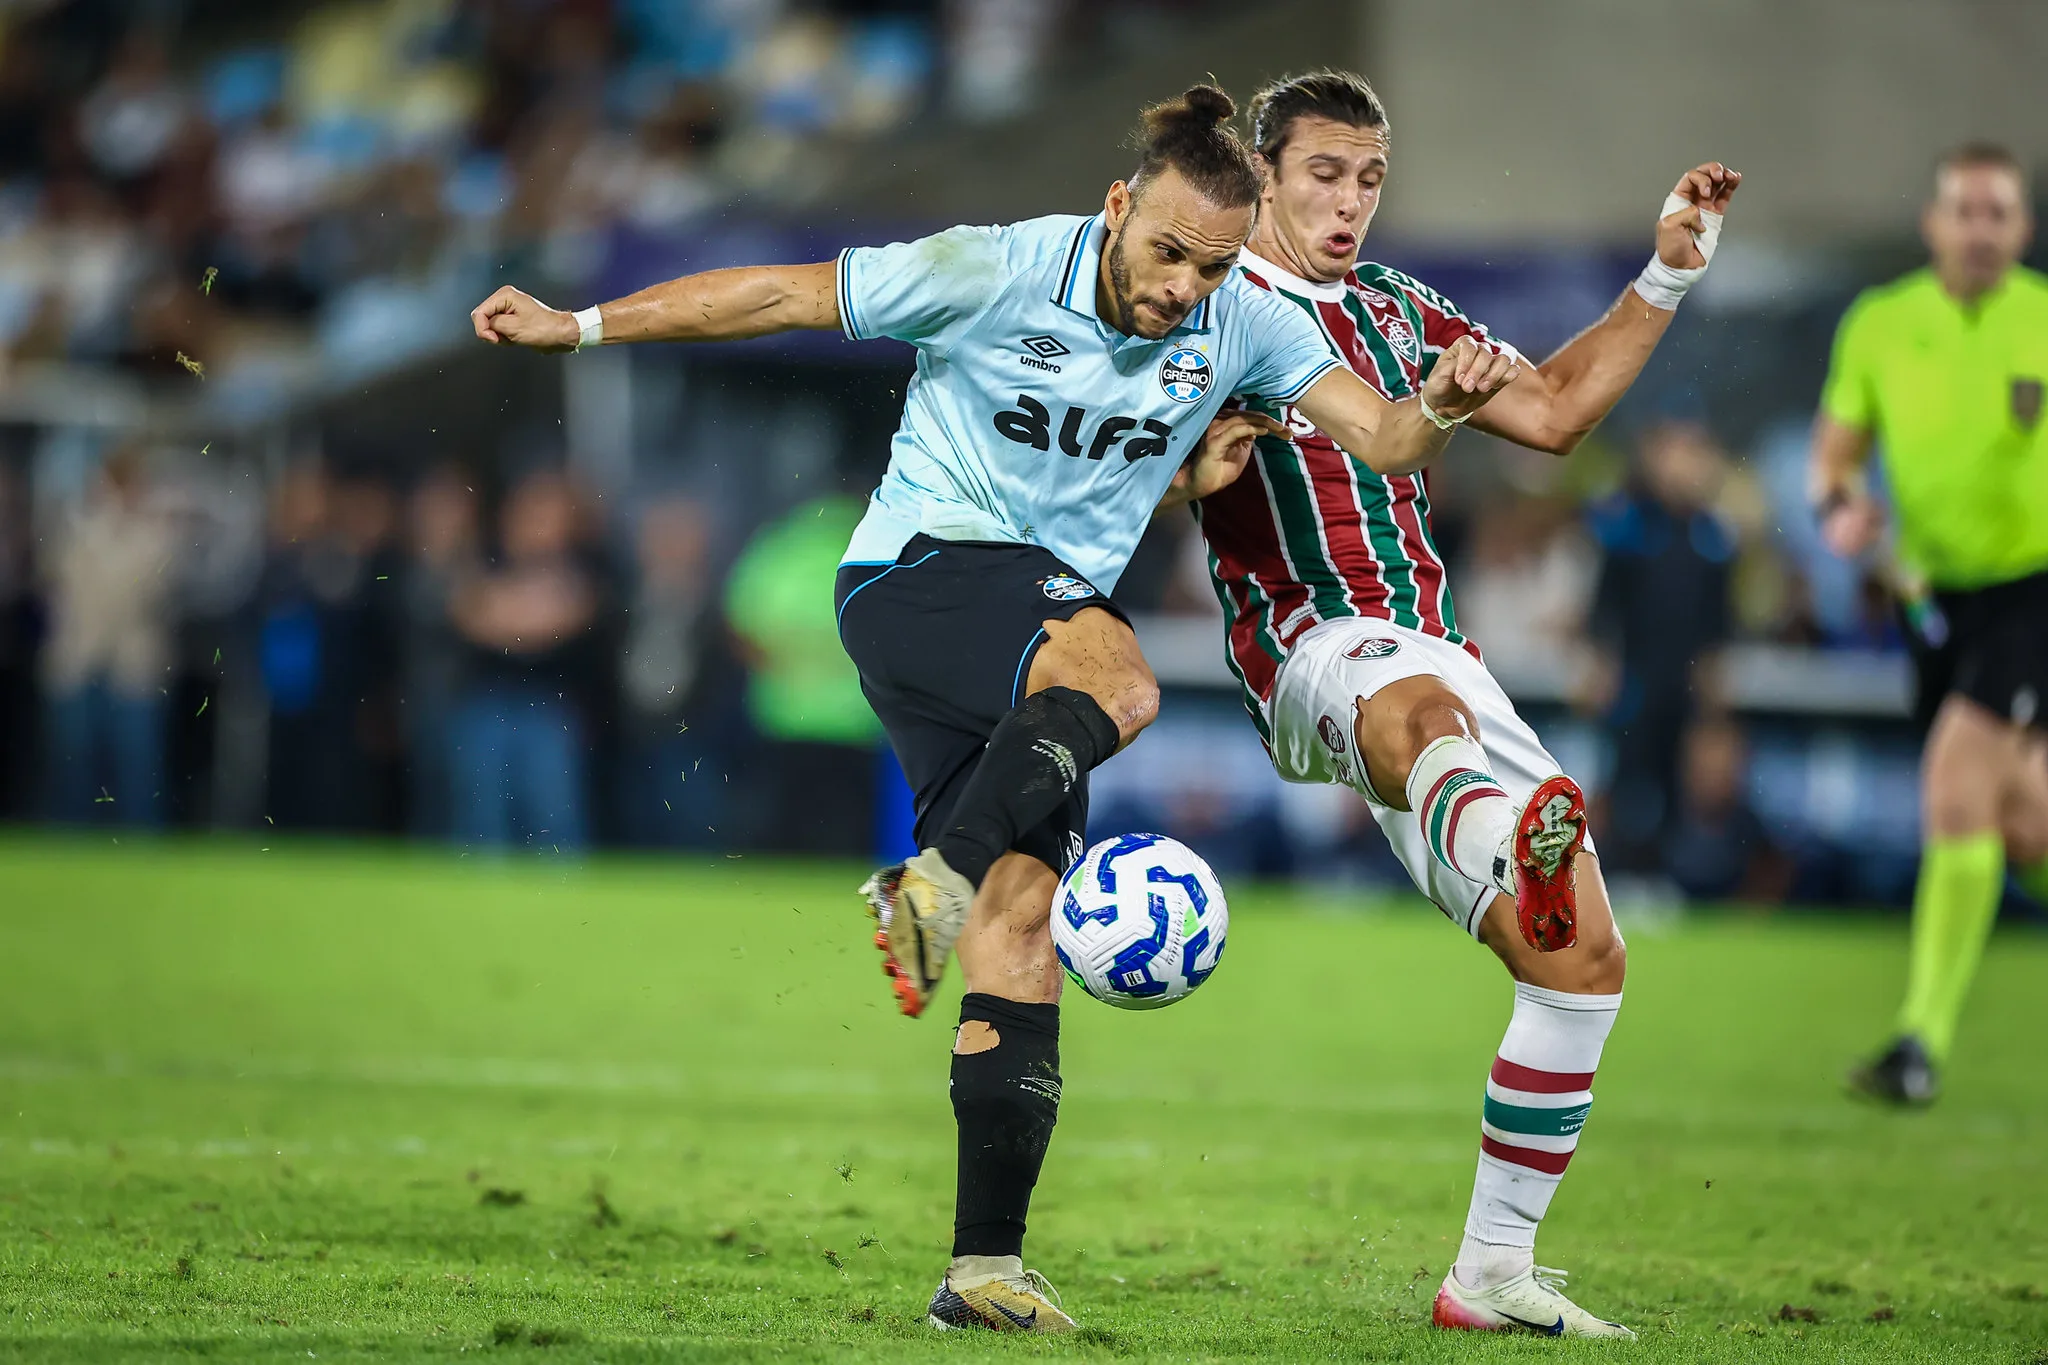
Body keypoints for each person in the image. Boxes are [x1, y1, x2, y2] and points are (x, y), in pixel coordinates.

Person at [471, 84, 1518, 1334]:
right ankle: (928, 883)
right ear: (1117, 207)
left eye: (1215, 265)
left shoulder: (1240, 322)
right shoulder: (990, 268)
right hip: (919, 573)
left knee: (1022, 931)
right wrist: (577, 326)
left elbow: (1388, 440)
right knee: (1118, 681)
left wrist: (1443, 405)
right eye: (1167, 252)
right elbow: (776, 295)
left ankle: (981, 1274)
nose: (1184, 285)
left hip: (1024, 646)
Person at [1192, 70, 1738, 1337]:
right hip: (1310, 644)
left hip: (1434, 646)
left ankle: (1488, 1274)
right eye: (1322, 173)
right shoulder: (1208, 303)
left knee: (1581, 968)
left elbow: (1547, 412)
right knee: (1421, 713)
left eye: (1368, 179)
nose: (1347, 202)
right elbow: (1139, 459)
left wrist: (1663, 274)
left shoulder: (1393, 307)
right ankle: (1510, 844)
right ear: (1262, 174)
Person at [1811, 143, 2048, 1106]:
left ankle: (1920, 1043)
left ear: (2024, 228)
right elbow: (1834, 460)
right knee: (2024, 820)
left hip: (2037, 587)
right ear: (1933, 222)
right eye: (1967, 210)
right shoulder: (1881, 322)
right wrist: (1839, 510)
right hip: (1934, 597)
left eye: (2000, 212)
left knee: (1957, 783)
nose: (1982, 228)